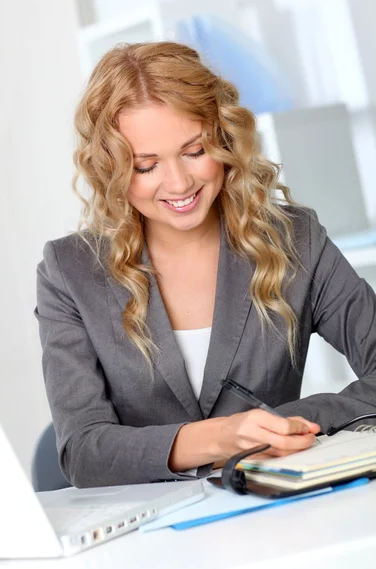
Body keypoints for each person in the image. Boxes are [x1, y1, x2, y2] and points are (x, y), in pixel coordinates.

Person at [35, 41, 376, 489]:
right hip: (145, 535)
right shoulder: (69, 271)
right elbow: (83, 451)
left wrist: (291, 421)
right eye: (146, 166)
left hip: (275, 511)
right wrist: (218, 439)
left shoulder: (294, 240)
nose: (178, 183)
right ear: (111, 167)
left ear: (223, 137)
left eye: (195, 152)